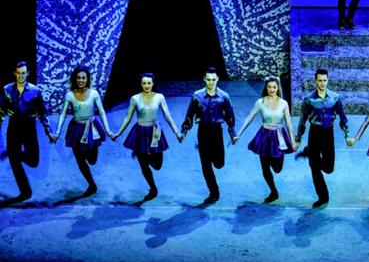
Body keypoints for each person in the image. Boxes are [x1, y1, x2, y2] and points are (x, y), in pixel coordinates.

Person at [112, 73, 183, 202]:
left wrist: (177, 132)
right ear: (141, 84)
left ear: (153, 83)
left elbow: (167, 116)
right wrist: (118, 133)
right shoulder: (135, 98)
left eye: (149, 83)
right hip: (140, 134)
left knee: (157, 165)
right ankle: (153, 188)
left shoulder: (159, 97)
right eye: (144, 83)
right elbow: (128, 117)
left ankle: (143, 155)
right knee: (143, 165)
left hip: (155, 133)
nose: (146, 85)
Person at [52, 66, 115, 197]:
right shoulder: (69, 95)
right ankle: (91, 185)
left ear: (87, 79)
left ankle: (87, 154)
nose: (81, 80)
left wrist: (108, 130)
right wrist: (57, 132)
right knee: (79, 159)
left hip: (91, 128)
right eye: (78, 78)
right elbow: (63, 114)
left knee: (92, 160)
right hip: (76, 129)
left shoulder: (94, 93)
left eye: (83, 78)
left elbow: (102, 112)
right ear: (75, 79)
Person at [1, 61, 56, 204]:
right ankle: (25, 191)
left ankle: (12, 153)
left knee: (33, 161)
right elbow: (1, 111)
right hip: (13, 126)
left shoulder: (35, 91)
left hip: (29, 127)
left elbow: (43, 112)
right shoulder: (7, 89)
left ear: (28, 74)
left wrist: (48, 131)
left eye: (23, 73)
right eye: (18, 73)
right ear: (15, 73)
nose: (21, 76)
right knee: (14, 161)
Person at [180, 67, 237, 204]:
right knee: (205, 165)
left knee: (219, 164)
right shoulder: (197, 96)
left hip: (217, 132)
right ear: (204, 79)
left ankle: (214, 158)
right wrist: (184, 132)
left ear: (217, 79)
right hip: (203, 132)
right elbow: (189, 116)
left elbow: (230, 116)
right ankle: (214, 192)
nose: (211, 82)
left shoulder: (224, 96)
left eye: (213, 80)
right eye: (208, 79)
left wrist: (232, 133)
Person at [234, 76, 295, 203]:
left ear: (278, 88)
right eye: (269, 87)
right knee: (265, 168)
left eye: (274, 87)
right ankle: (274, 192)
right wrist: (238, 134)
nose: (271, 89)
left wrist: (293, 140)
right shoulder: (260, 102)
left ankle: (274, 161)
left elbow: (289, 123)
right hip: (264, 136)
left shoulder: (284, 103)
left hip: (279, 136)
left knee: (278, 169)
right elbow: (250, 117)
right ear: (266, 87)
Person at [295, 68, 349, 208]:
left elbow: (342, 117)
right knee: (314, 168)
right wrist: (298, 138)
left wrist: (347, 135)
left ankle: (309, 153)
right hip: (314, 133)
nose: (322, 83)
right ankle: (323, 197)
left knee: (329, 168)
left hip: (328, 133)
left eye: (324, 80)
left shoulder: (335, 97)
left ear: (328, 80)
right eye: (320, 80)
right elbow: (302, 119)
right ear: (315, 81)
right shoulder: (309, 99)